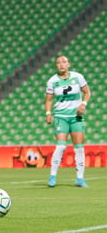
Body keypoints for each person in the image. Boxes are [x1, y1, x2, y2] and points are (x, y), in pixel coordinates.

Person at [45, 55, 91, 188]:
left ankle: (80, 179)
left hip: (76, 117)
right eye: (58, 63)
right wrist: (48, 113)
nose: (61, 65)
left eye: (64, 62)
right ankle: (52, 176)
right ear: (56, 66)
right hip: (60, 117)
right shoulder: (52, 81)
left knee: (79, 148)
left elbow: (87, 92)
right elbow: (48, 100)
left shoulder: (78, 77)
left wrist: (83, 104)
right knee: (61, 146)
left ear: (68, 64)